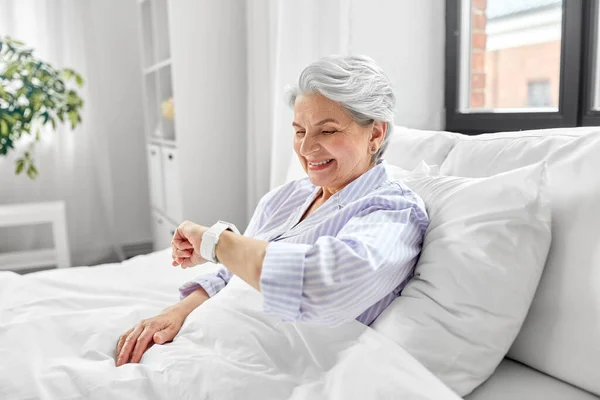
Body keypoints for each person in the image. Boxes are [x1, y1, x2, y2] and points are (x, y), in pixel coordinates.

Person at [115, 55, 429, 367]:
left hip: (271, 366)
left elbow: (322, 287)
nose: (306, 150)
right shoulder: (287, 197)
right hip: (207, 339)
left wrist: (216, 242)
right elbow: (230, 274)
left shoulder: (394, 210)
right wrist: (176, 313)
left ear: (375, 134)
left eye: (327, 131)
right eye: (299, 131)